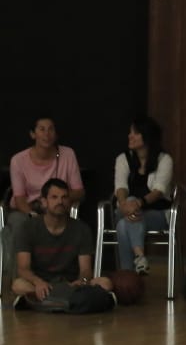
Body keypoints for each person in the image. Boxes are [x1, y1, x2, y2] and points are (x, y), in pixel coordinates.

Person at [10, 178, 112, 310]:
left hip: (70, 284)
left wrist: (81, 282)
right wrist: (39, 283)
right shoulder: (27, 228)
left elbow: (86, 270)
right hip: (41, 284)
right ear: (44, 202)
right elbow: (23, 269)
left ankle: (48, 303)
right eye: (54, 197)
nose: (60, 202)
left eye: (64, 197)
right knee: (18, 285)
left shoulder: (82, 229)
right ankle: (68, 303)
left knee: (106, 283)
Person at [5, 116, 86, 281]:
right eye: (41, 129)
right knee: (20, 223)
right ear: (32, 134)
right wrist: (34, 215)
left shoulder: (67, 154)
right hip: (29, 209)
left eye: (51, 129)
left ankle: (63, 281)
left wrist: (57, 199)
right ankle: (20, 283)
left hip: (58, 207)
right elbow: (20, 199)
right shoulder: (18, 160)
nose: (47, 134)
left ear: (56, 134)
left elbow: (79, 192)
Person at [112, 116, 174, 274]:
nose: (129, 136)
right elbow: (120, 187)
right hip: (125, 210)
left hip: (157, 214)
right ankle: (140, 256)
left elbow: (158, 191)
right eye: (129, 132)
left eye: (135, 133)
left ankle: (127, 276)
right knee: (129, 206)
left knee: (122, 226)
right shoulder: (123, 159)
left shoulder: (164, 160)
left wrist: (138, 203)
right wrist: (125, 204)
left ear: (147, 136)